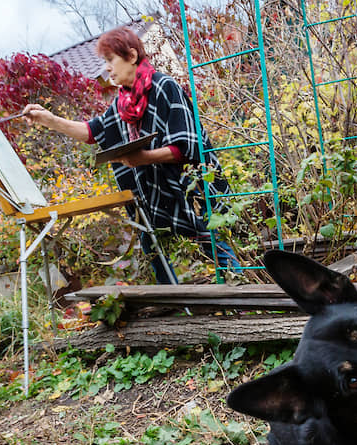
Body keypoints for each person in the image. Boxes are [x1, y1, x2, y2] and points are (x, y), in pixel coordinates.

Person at [22, 27, 240, 284]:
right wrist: (49, 120)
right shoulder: (123, 103)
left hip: (189, 187)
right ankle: (177, 306)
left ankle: (247, 295)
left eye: (111, 60)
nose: (108, 69)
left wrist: (143, 158)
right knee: (150, 237)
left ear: (132, 56)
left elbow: (186, 147)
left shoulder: (164, 87)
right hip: (152, 192)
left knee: (214, 245)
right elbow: (92, 132)